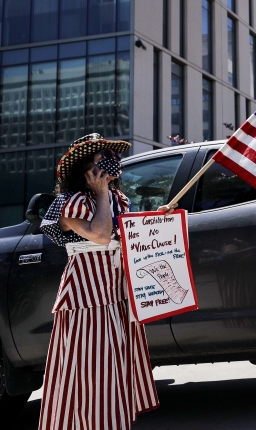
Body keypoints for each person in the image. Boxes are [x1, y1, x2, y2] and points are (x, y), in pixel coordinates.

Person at [38, 134, 160, 429]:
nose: (112, 162)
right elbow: (102, 234)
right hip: (86, 299)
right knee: (92, 372)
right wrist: (102, 192)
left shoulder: (120, 200)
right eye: (102, 158)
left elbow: (127, 236)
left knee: (116, 369)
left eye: (113, 158)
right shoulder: (71, 203)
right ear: (85, 168)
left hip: (116, 295)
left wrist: (158, 219)